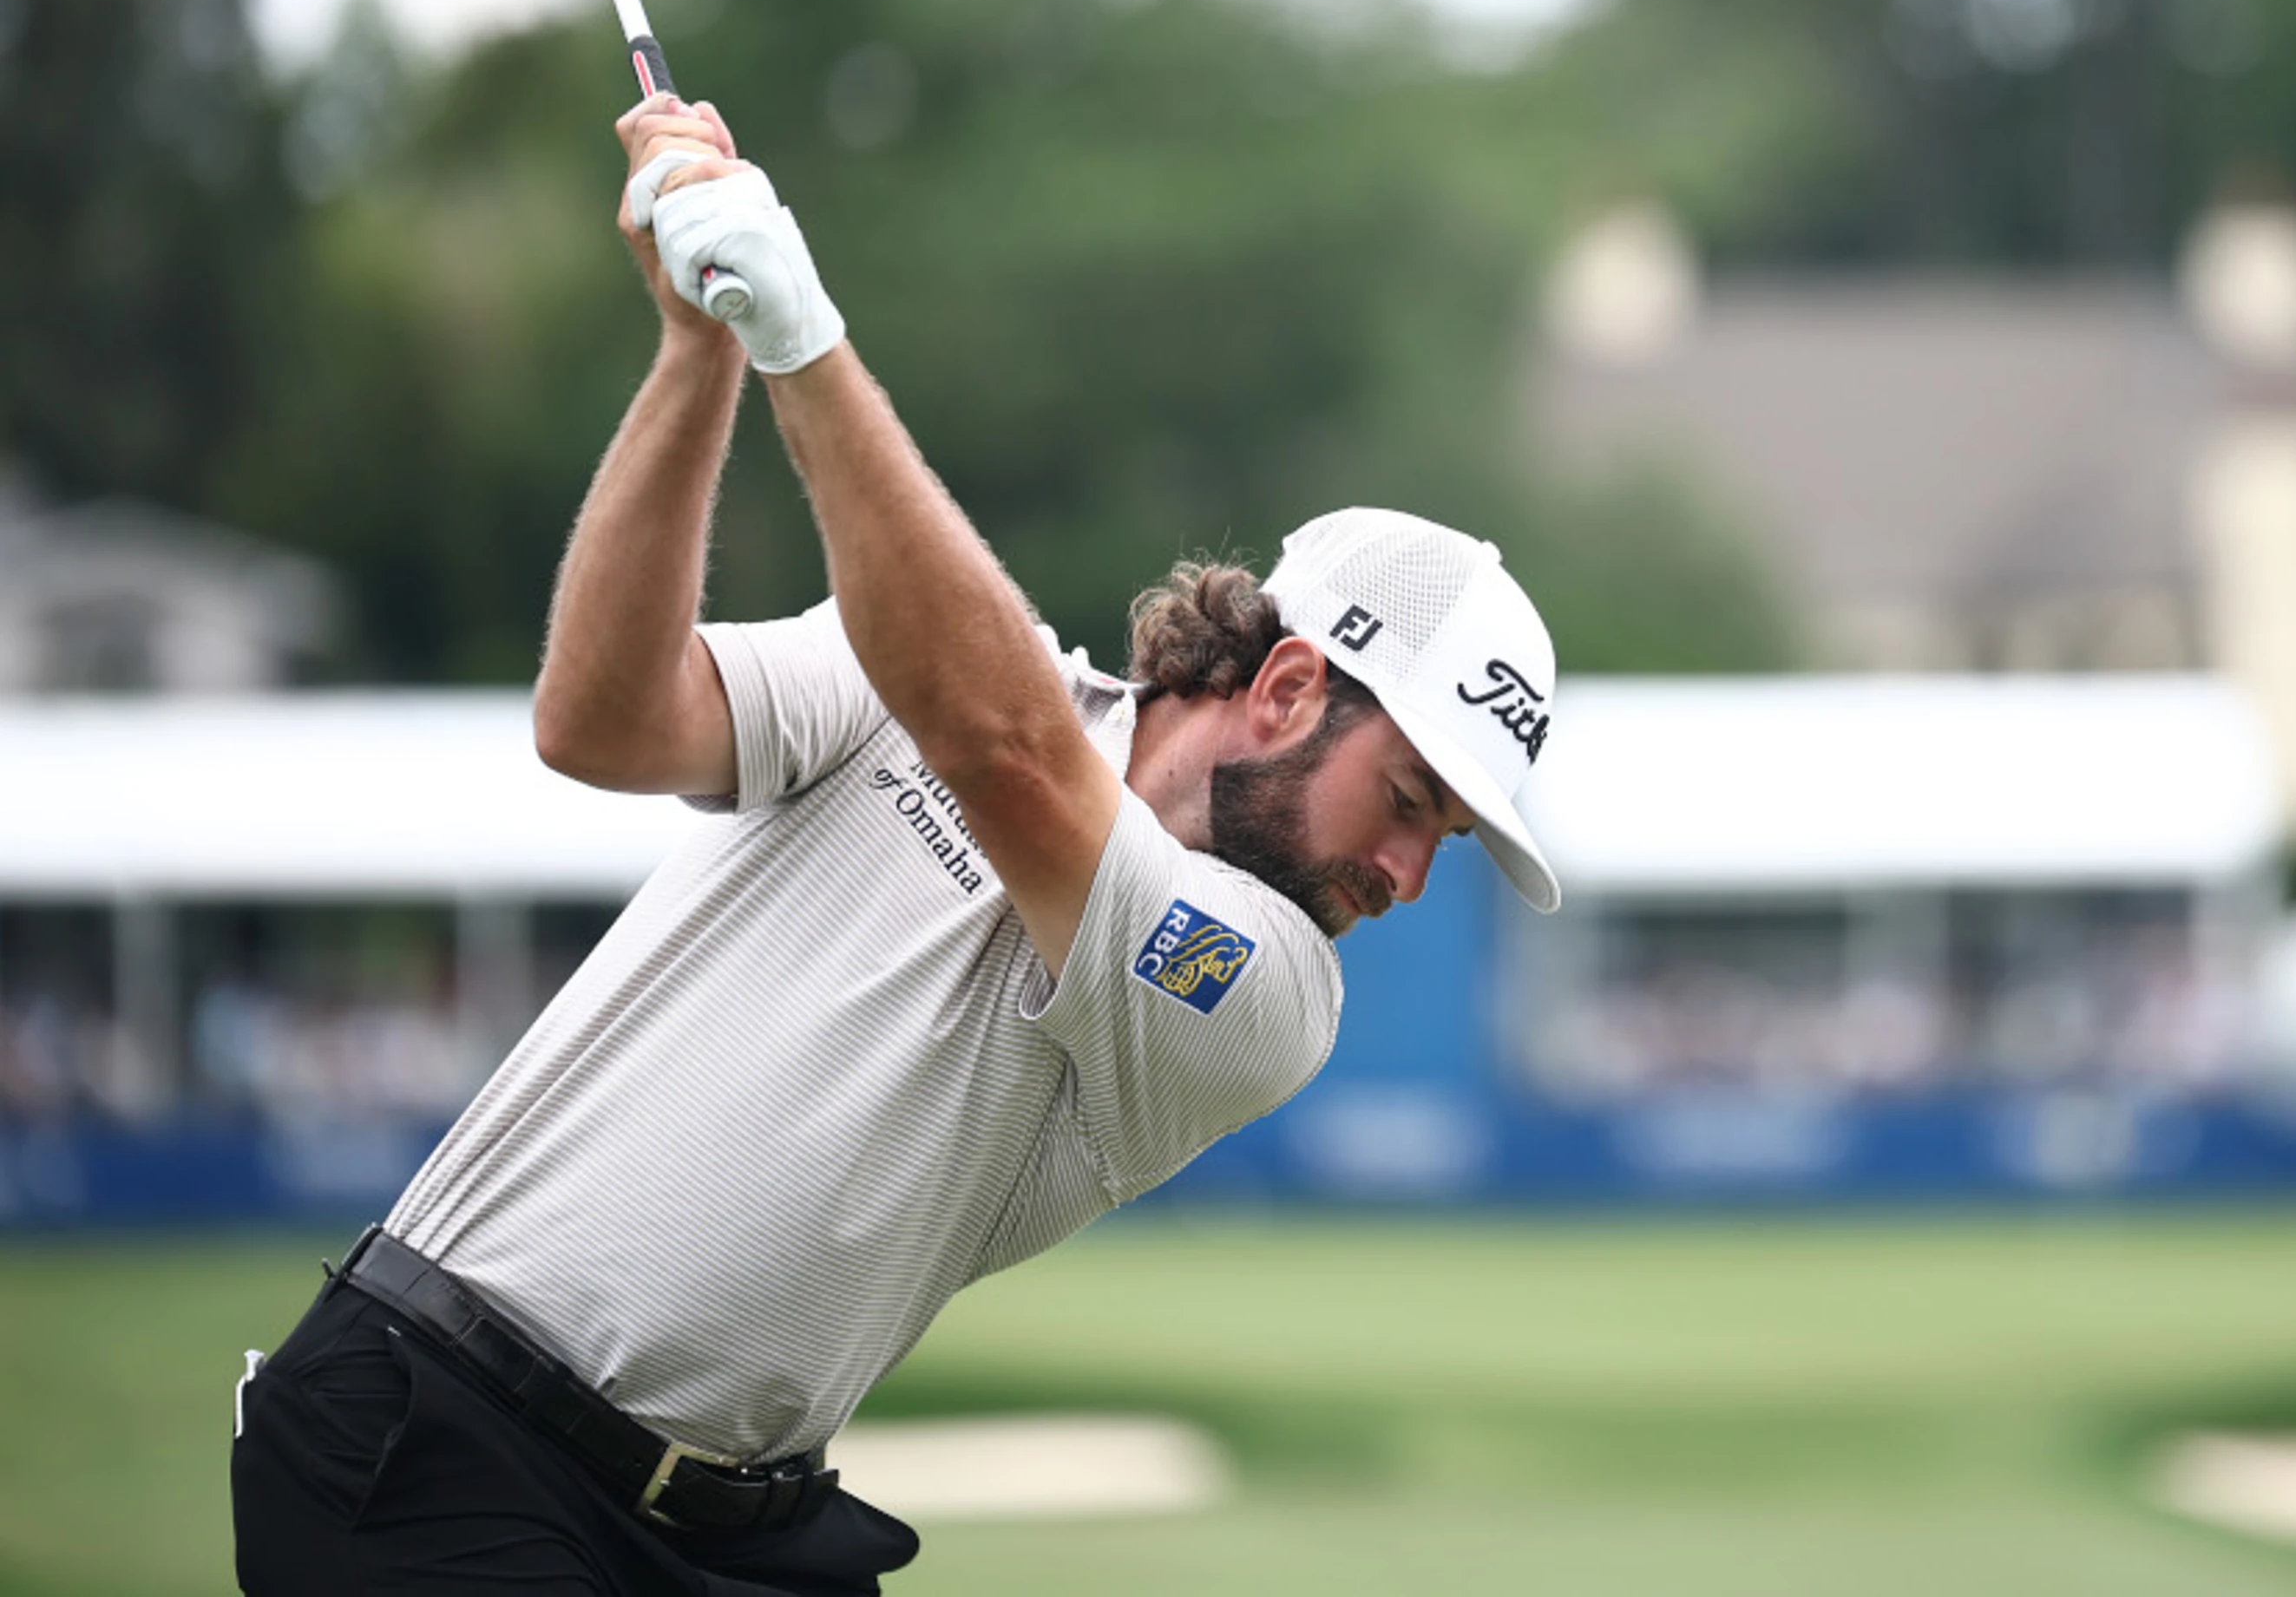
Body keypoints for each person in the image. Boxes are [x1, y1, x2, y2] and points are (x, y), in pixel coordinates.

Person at [228, 94, 1563, 1594]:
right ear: (1292, 687)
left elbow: (1008, 759)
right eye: (1409, 803)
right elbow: (600, 720)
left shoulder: (1269, 994)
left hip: (736, 1538)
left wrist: (804, 335)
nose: (1408, 880)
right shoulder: (896, 675)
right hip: (440, 1436)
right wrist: (700, 354)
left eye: (1449, 839)